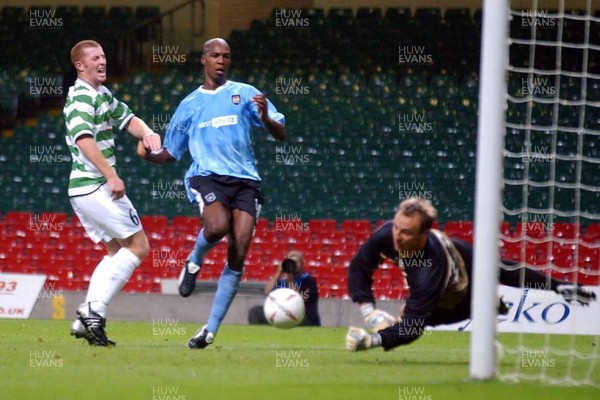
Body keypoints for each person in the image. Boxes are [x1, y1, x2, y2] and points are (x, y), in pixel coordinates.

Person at [138, 38, 286, 349]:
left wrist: (267, 119)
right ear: (203, 60)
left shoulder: (245, 93)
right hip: (208, 177)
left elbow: (281, 132)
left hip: (246, 181)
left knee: (239, 252)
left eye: (226, 56)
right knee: (217, 227)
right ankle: (193, 262)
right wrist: (148, 155)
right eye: (215, 55)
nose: (221, 60)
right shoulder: (189, 105)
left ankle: (210, 330)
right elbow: (171, 153)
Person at [345, 197, 596, 352]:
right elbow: (360, 266)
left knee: (409, 316)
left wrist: (372, 340)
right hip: (451, 260)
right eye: (396, 226)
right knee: (490, 268)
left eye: (406, 232)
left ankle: (486, 305)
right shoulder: (387, 234)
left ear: (423, 235)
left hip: (456, 296)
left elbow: (413, 328)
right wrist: (369, 310)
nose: (396, 236)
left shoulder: (430, 270)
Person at [64, 40, 162, 346]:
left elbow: (128, 119)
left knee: (115, 252)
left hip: (83, 190)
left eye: (104, 55)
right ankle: (94, 310)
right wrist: (111, 175)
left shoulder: (102, 94)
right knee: (138, 246)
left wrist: (147, 132)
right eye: (95, 58)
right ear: (80, 65)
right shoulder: (81, 96)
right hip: (95, 186)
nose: (102, 61)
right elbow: (83, 139)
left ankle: (86, 321)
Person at [248, 251, 321, 326]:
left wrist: (291, 282)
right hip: (281, 314)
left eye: (296, 262)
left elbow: (302, 300)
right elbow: (267, 292)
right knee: (255, 312)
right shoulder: (282, 280)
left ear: (302, 265)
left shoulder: (308, 280)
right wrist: (278, 272)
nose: (294, 265)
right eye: (291, 262)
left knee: (303, 319)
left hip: (302, 316)